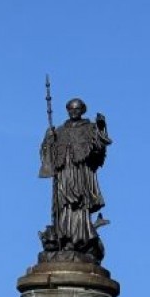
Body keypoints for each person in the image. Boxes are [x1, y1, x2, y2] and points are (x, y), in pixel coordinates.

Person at [38, 98, 112, 261]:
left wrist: (100, 128)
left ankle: (81, 239)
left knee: (79, 205)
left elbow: (99, 149)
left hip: (80, 173)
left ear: (82, 110)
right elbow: (46, 154)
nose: (74, 112)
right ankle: (64, 238)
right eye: (71, 109)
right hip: (64, 174)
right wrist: (48, 141)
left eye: (77, 109)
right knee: (64, 206)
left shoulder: (89, 128)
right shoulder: (59, 131)